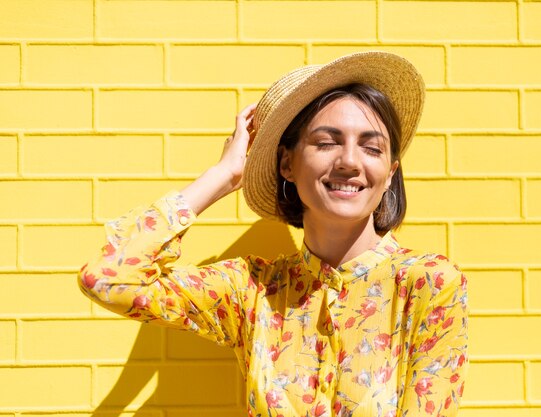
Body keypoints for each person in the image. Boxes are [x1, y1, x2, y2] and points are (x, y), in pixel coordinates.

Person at [77, 51, 469, 417]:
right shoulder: (251, 290)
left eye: (371, 148)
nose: (349, 161)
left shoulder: (427, 284)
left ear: (389, 175)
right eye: (327, 142)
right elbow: (108, 278)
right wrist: (223, 176)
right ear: (287, 163)